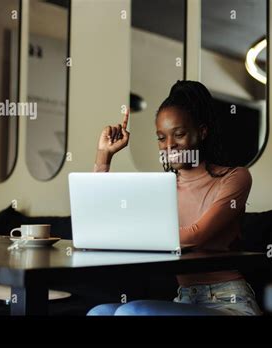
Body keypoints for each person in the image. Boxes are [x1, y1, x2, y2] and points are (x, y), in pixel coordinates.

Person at [88, 80, 261, 316]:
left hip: (228, 301)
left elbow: (196, 235)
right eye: (161, 138)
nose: (169, 146)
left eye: (179, 134)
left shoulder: (235, 178)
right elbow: (101, 220)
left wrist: (130, 236)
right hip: (185, 299)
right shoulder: (164, 187)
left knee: (132, 312)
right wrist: (104, 155)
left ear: (201, 132)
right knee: (100, 312)